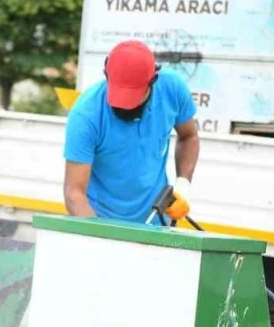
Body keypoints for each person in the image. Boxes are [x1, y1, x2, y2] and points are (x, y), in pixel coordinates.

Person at [63, 40, 200, 223]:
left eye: (132, 98)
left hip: (156, 222)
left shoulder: (172, 89)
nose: (125, 107)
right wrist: (98, 237)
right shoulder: (86, 115)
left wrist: (182, 186)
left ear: (153, 80)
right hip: (99, 219)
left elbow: (189, 137)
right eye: (119, 97)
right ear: (106, 75)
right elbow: (74, 193)